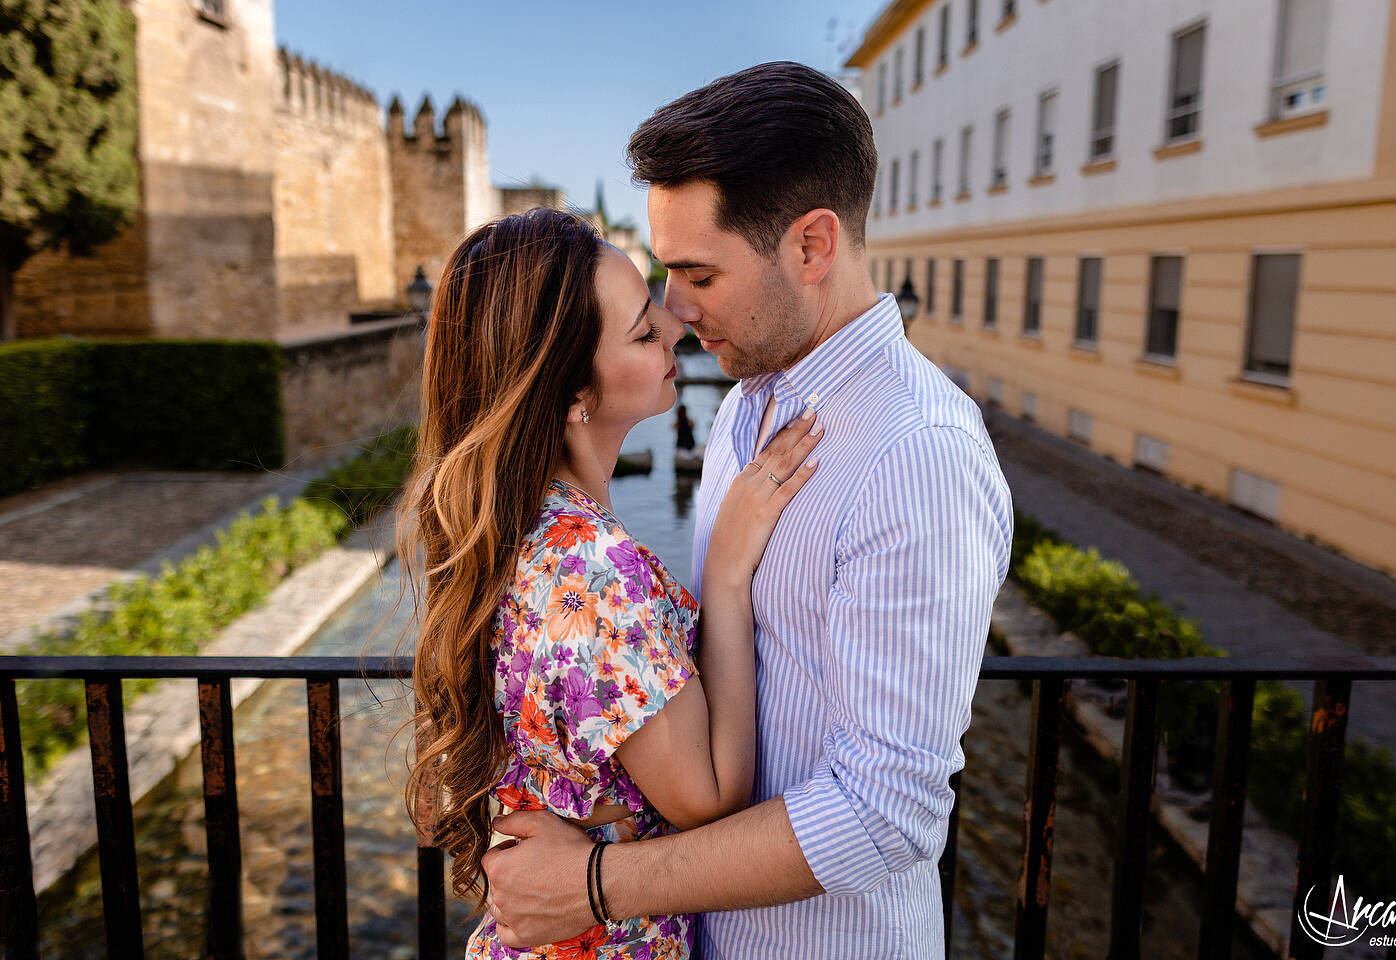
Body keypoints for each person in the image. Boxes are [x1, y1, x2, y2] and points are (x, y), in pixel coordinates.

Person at [481, 62, 1014, 959]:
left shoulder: (918, 454)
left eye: (697, 274)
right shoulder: (744, 402)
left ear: (811, 247)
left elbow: (889, 812)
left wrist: (599, 883)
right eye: (664, 274)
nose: (677, 313)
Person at [396, 206, 823, 959]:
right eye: (641, 331)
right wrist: (725, 572)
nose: (676, 327)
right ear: (569, 393)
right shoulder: (591, 568)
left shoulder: (518, 529)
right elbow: (711, 795)